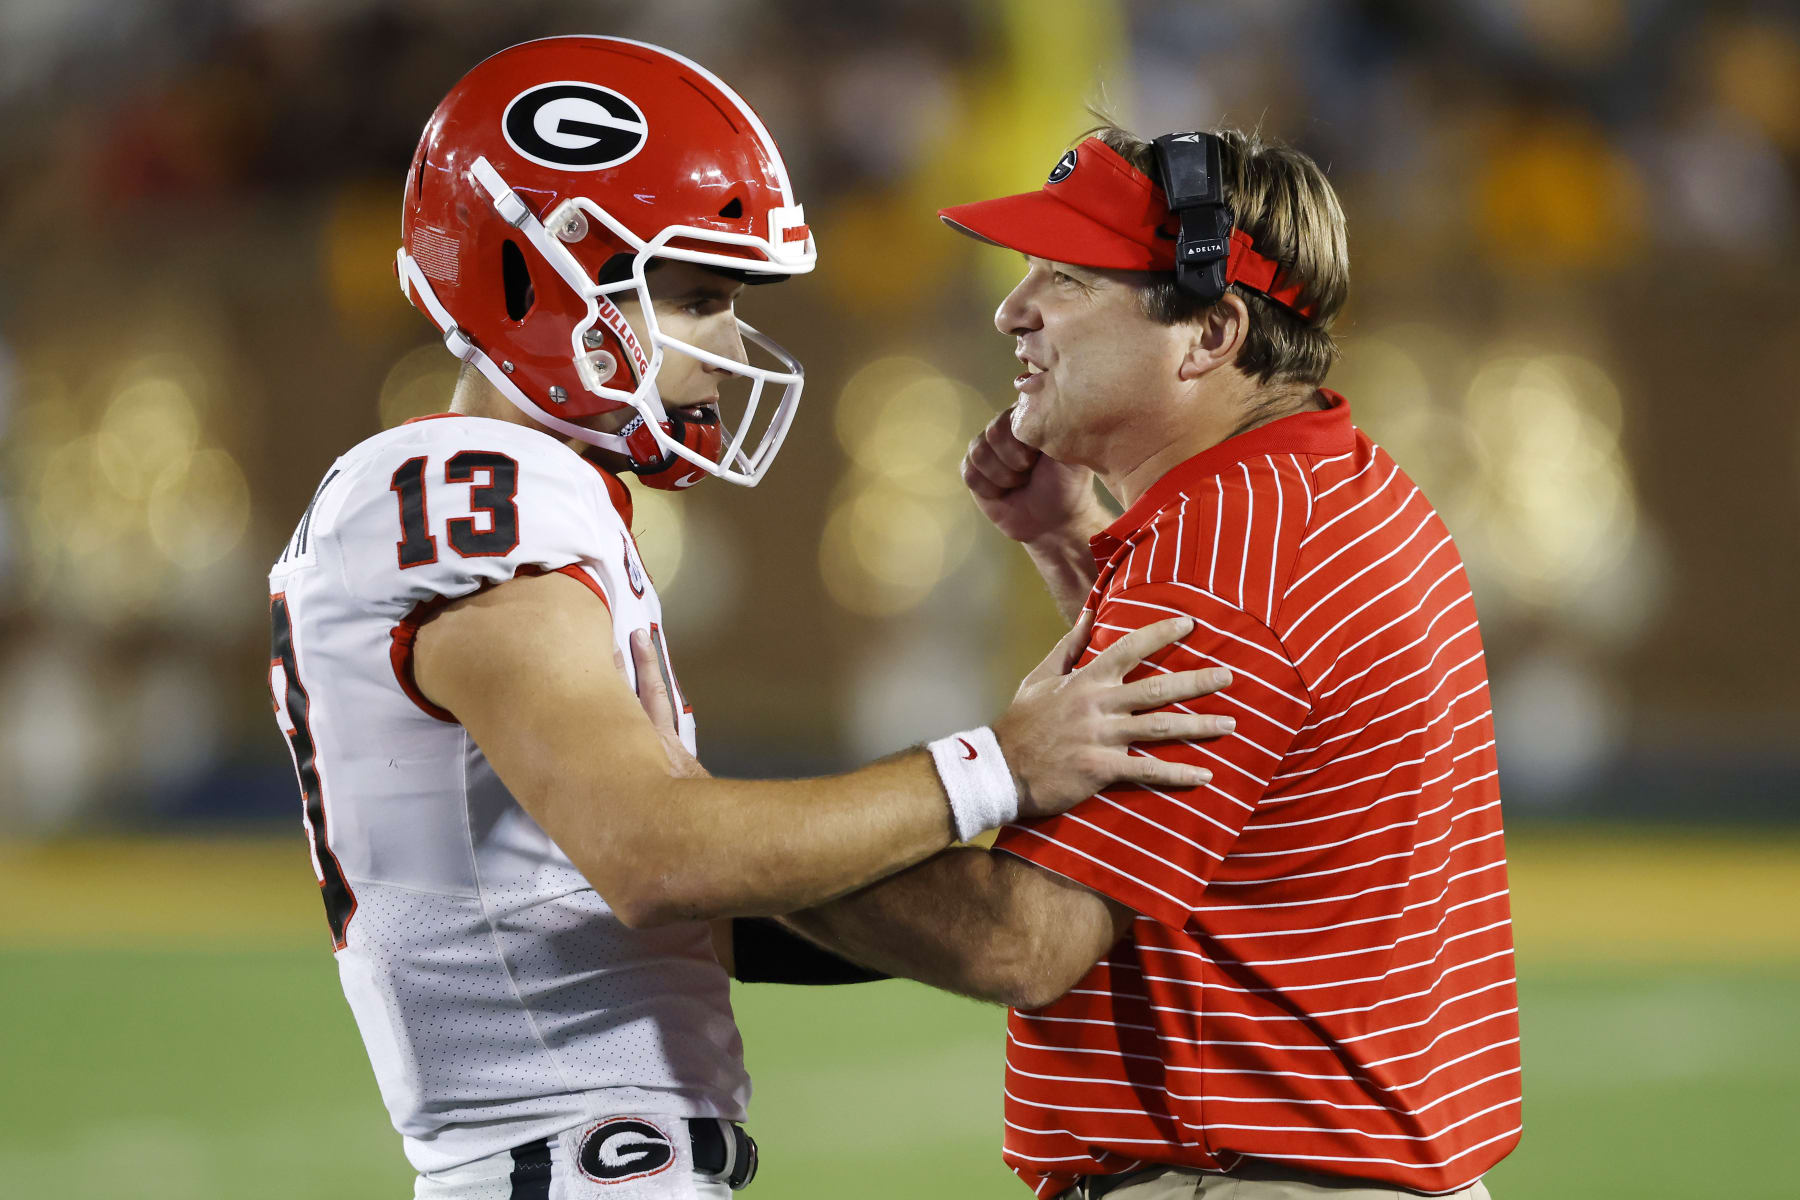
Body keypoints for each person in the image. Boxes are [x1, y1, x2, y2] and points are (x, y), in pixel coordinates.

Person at [265, 41, 1231, 1200]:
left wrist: (996, 911)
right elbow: (653, 855)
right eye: (696, 298)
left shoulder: (508, 491)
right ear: (536, 275)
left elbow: (703, 904)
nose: (728, 346)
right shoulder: (475, 486)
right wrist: (997, 766)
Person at [768, 126, 1522, 1198]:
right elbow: (1235, 757)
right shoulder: (1323, 484)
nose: (1013, 310)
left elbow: (1024, 943)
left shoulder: (1221, 556)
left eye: (1068, 279)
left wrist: (727, 851)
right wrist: (1069, 544)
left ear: (1209, 332)